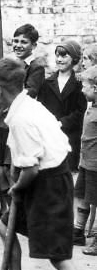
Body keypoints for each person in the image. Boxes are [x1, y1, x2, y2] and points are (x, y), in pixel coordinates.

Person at [0, 58, 93, 270]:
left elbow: (30, 168)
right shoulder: (24, 105)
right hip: (39, 180)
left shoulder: (22, 117)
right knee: (4, 226)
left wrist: (16, 188)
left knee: (60, 257)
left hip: (48, 186)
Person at [37, 40, 86, 171]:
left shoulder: (79, 84)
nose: (59, 59)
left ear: (74, 59)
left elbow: (81, 111)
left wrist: (62, 122)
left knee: (67, 174)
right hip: (49, 136)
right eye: (57, 56)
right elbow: (40, 108)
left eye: (64, 56)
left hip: (70, 137)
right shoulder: (47, 83)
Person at [73, 66, 97, 253]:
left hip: (96, 165)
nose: (82, 90)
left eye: (85, 86)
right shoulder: (92, 107)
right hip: (85, 163)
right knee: (81, 196)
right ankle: (78, 232)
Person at [11, 23, 45, 98]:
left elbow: (30, 93)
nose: (18, 45)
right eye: (16, 41)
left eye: (24, 42)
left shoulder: (36, 68)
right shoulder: (11, 63)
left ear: (33, 46)